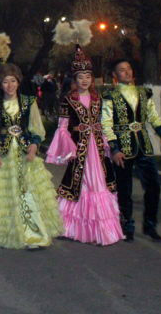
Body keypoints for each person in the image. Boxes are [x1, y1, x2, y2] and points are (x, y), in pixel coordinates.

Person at [0, 63, 63, 250]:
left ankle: (33, 233)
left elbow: (36, 126)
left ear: (18, 82)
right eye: (5, 82)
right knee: (5, 194)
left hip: (24, 153)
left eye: (12, 81)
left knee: (27, 190)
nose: (9, 85)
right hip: (5, 154)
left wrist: (34, 145)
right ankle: (10, 232)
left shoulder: (28, 101)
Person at [46, 46, 123, 245]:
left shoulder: (98, 99)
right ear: (74, 79)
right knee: (81, 184)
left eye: (88, 76)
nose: (85, 80)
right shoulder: (68, 100)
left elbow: (105, 123)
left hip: (96, 148)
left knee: (100, 183)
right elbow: (62, 127)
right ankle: (77, 228)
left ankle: (102, 228)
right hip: (80, 149)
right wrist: (69, 146)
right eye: (80, 77)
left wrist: (108, 142)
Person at [102, 59, 161, 242]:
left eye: (129, 69)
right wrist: (114, 149)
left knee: (154, 186)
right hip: (123, 149)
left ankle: (150, 225)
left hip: (143, 146)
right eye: (122, 70)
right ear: (115, 76)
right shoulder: (111, 96)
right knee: (124, 190)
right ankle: (127, 226)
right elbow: (106, 124)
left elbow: (152, 115)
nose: (127, 73)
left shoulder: (143, 93)